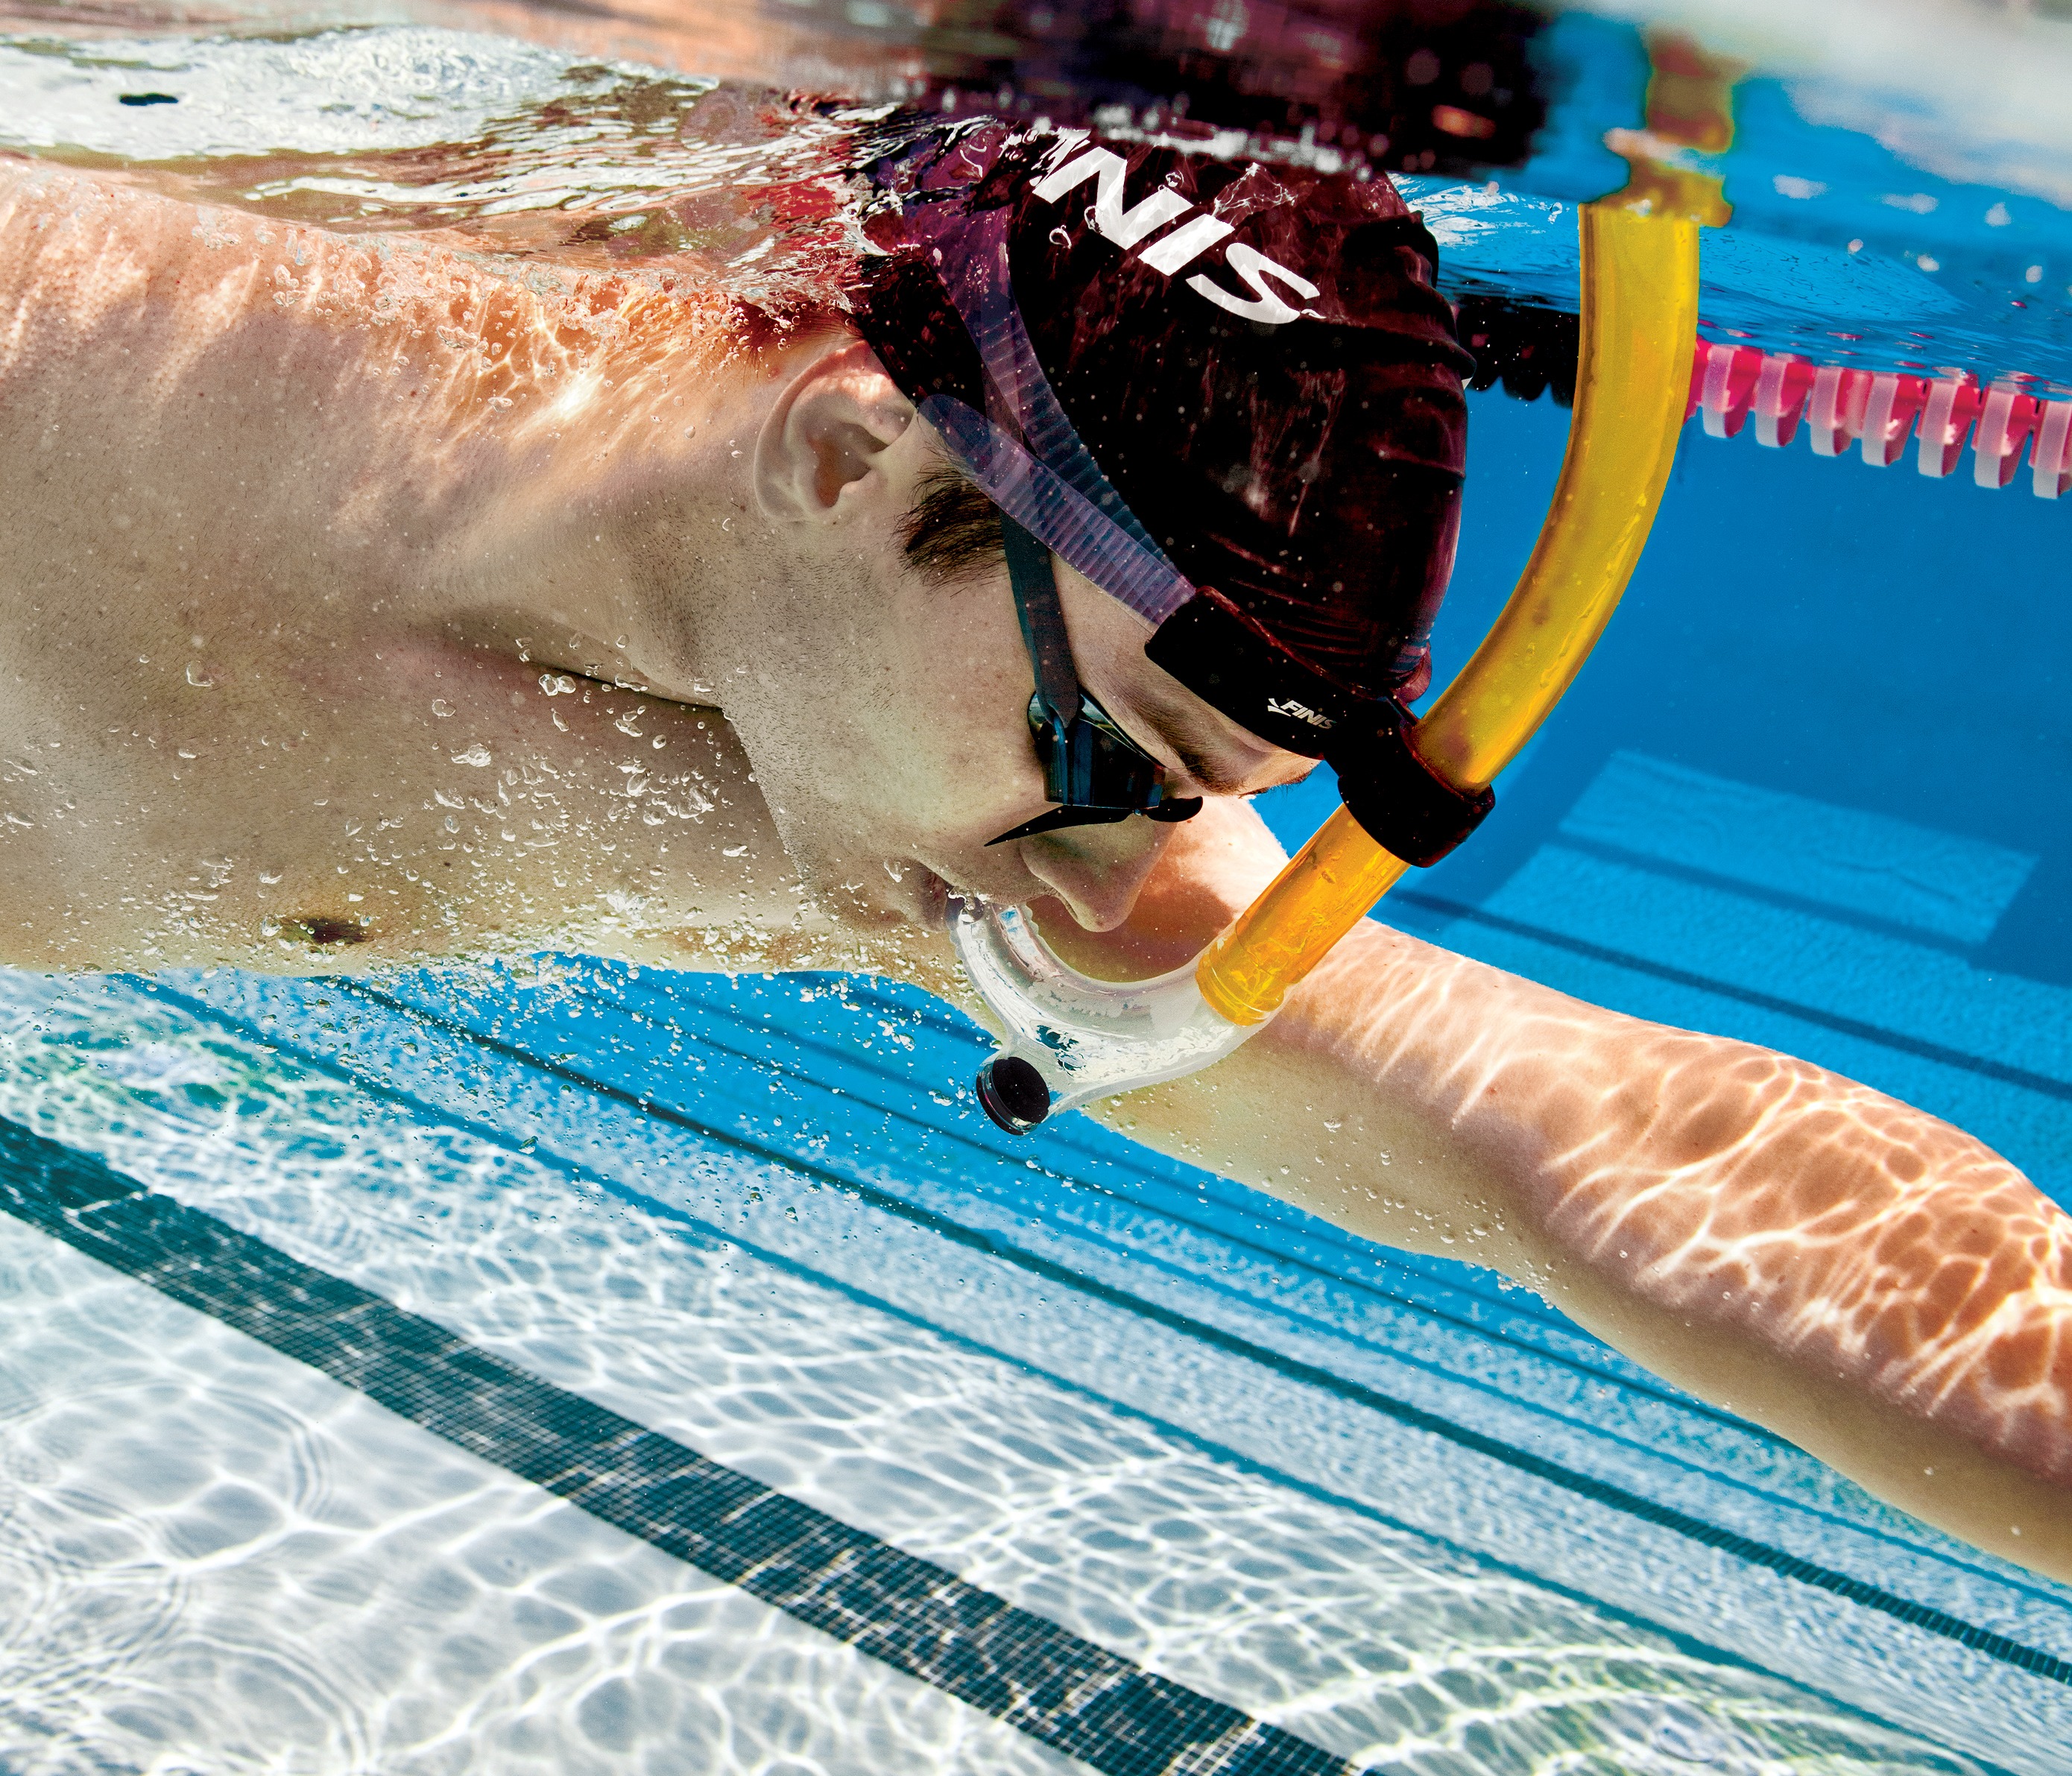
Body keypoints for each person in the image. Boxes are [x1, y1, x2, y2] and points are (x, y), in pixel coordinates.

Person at [0, 115, 2066, 1580]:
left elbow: (1594, 1136)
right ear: (842, 453)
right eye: (1107, 752)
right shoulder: (97, 332)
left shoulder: (840, 792)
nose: (1094, 891)